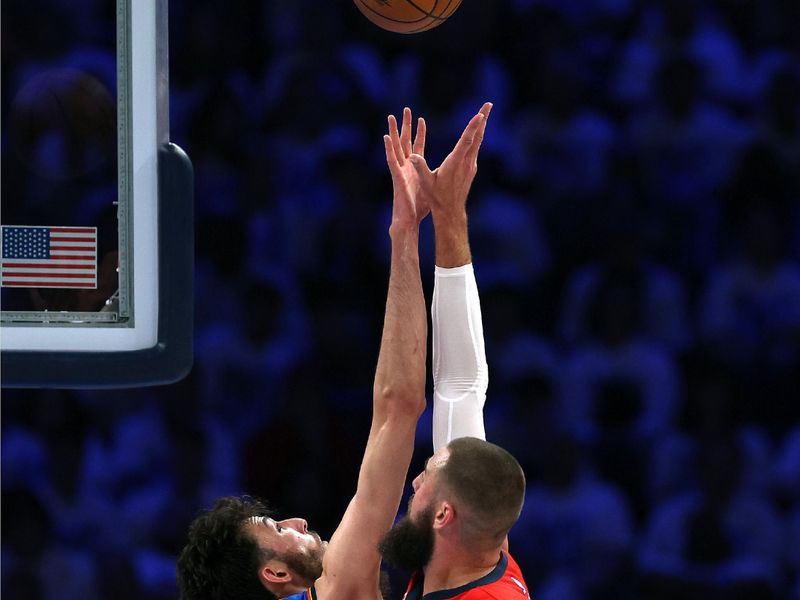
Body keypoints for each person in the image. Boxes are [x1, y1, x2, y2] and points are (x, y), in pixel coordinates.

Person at [175, 105, 492, 600]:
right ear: (276, 575)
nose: (298, 519)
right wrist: (405, 232)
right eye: (280, 529)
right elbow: (399, 405)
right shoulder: (337, 585)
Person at [379, 102, 530, 599]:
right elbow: (461, 386)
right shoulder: (477, 556)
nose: (412, 488)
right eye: (422, 479)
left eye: (422, 479)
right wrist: (447, 219)